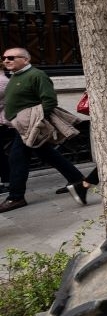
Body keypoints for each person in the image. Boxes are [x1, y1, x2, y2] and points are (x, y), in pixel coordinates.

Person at [0, 47, 88, 213]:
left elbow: (49, 101)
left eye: (11, 58)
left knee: (16, 158)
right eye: (4, 58)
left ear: (25, 59)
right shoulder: (15, 76)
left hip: (30, 126)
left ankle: (16, 197)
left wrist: (36, 121)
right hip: (21, 126)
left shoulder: (37, 75)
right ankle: (77, 180)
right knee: (48, 154)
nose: (6, 61)